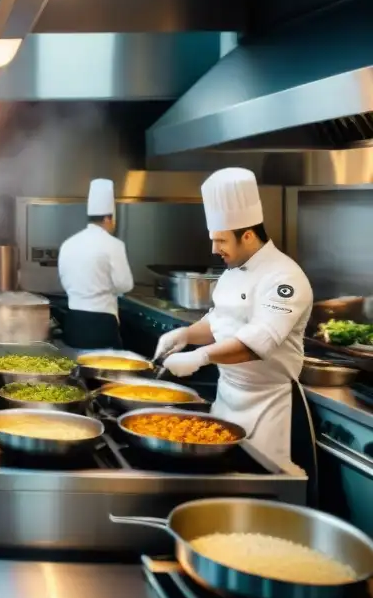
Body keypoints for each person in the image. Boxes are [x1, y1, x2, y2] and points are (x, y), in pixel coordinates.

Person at [155, 167, 313, 464]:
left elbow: (257, 342)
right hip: (226, 399)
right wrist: (186, 335)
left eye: (222, 241)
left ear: (249, 235)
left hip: (267, 407)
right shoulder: (231, 272)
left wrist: (200, 356)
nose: (214, 249)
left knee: (261, 489)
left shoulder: (285, 278)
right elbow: (219, 321)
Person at [58, 178, 134, 349]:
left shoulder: (68, 244)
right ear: (108, 218)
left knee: (77, 368)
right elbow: (125, 285)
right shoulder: (114, 245)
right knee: (105, 369)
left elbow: (64, 281)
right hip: (102, 323)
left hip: (74, 321)